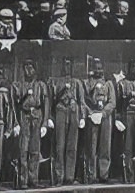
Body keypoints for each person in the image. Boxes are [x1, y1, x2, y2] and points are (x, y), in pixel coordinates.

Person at [12, 58, 50, 189]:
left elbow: (46, 104)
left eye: (31, 67)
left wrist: (44, 123)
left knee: (35, 150)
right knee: (23, 149)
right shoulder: (18, 85)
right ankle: (23, 181)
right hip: (24, 116)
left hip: (37, 117)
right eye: (26, 67)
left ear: (35, 70)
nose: (29, 70)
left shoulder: (41, 85)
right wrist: (15, 123)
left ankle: (33, 179)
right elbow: (15, 105)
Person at [49, 56, 85, 187]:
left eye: (69, 65)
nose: (67, 67)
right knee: (60, 146)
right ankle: (60, 176)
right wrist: (50, 118)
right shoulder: (56, 82)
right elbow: (51, 101)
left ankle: (69, 177)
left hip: (74, 111)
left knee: (72, 146)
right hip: (60, 111)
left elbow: (81, 101)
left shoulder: (77, 82)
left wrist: (82, 117)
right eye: (65, 65)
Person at [82, 57, 116, 184]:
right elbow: (83, 100)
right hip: (92, 117)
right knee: (91, 147)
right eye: (96, 68)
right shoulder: (87, 84)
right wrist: (91, 114)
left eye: (100, 67)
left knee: (105, 147)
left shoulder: (109, 83)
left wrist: (103, 114)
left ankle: (103, 174)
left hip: (105, 117)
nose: (98, 70)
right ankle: (91, 175)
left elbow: (112, 102)